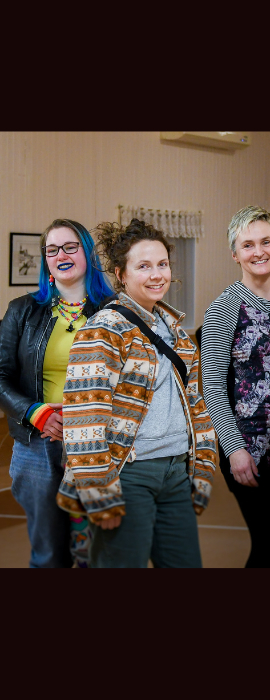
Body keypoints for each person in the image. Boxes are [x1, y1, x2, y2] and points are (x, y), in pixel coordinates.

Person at [56, 219, 217, 568]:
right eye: (143, 266)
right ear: (121, 274)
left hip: (176, 472)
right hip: (128, 474)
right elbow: (84, 415)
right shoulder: (105, 329)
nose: (157, 274)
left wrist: (203, 463)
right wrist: (100, 492)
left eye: (162, 264)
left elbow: (195, 404)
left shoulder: (177, 332)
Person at [0, 219, 114, 567]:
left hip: (101, 445)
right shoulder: (22, 310)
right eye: (52, 250)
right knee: (49, 556)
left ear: (87, 253)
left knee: (100, 555)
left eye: (70, 247)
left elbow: (135, 381)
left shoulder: (115, 310)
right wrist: (35, 412)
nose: (60, 255)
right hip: (38, 446)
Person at [201, 205, 270, 567]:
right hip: (250, 449)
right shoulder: (224, 308)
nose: (258, 251)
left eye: (265, 242)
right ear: (235, 254)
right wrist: (234, 450)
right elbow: (212, 387)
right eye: (247, 245)